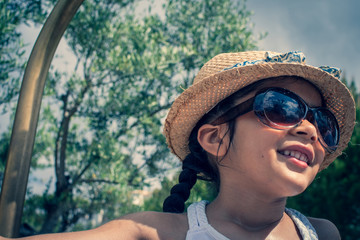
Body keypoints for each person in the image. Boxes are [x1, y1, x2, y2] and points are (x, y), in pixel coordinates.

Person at [1, 51, 355, 239]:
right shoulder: (153, 232)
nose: (309, 128)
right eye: (282, 107)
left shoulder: (322, 233)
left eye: (322, 121)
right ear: (215, 138)